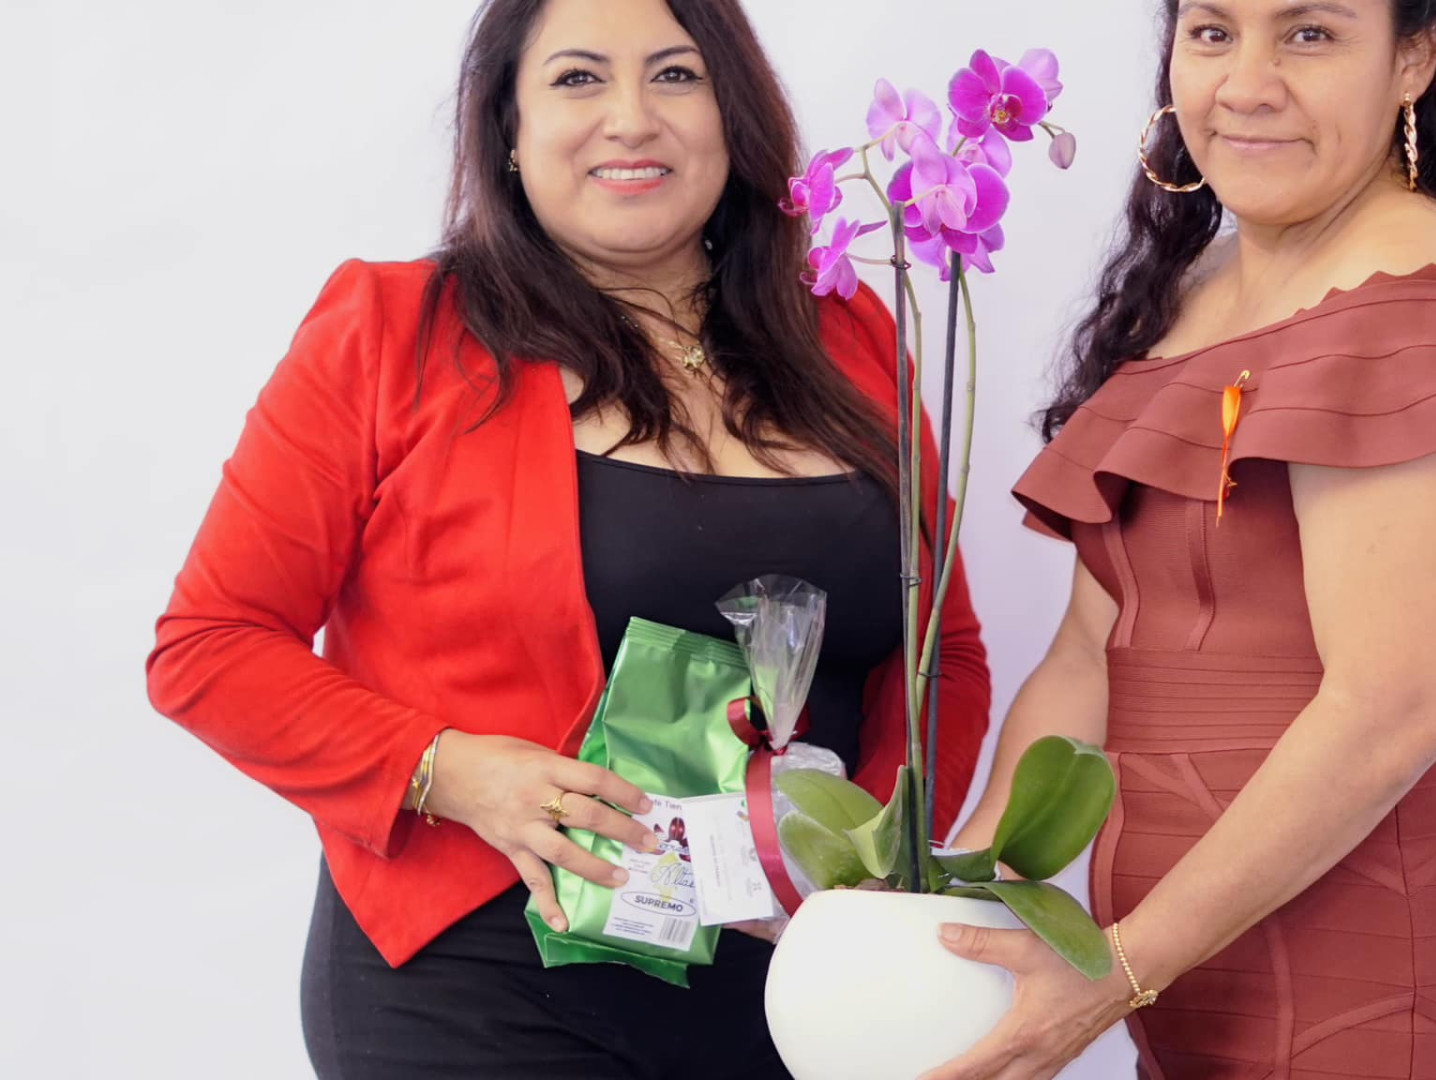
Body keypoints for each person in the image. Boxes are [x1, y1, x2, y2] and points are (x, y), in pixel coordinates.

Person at [144, 1, 989, 1077]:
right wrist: (450, 771)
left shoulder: (850, 330)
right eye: (578, 78)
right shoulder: (390, 331)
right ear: (508, 125)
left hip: (801, 986)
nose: (631, 118)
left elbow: (943, 656)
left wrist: (868, 861)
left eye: (676, 75)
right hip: (478, 983)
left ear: (734, 114)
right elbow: (209, 647)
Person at [930, 2, 1436, 1078]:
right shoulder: (1194, 292)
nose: (1246, 84)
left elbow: (1390, 711)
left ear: (1413, 59)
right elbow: (1090, 657)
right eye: (1212, 32)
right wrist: (948, 898)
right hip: (1184, 989)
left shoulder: (1412, 302)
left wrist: (1116, 973)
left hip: (1376, 994)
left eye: (1309, 34)